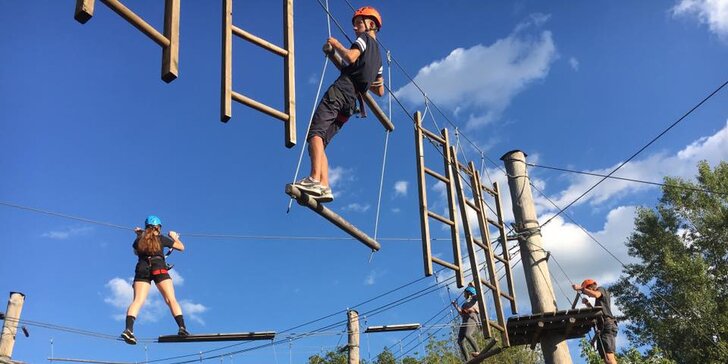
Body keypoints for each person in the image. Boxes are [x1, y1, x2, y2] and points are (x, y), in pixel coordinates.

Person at [292, 6, 385, 203]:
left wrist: (336, 44)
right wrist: (365, 74)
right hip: (351, 104)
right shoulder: (379, 58)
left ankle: (314, 179)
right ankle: (324, 186)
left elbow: (350, 56)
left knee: (315, 134)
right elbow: (380, 90)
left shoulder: (364, 39)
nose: (355, 28)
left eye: (359, 23)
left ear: (371, 25)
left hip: (341, 90)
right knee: (320, 142)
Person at [120, 215, 188, 345]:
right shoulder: (161, 238)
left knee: (138, 300)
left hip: (142, 269)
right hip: (159, 268)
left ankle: (129, 330)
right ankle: (182, 328)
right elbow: (181, 247)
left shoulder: (139, 240)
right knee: (170, 299)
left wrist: (139, 235)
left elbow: (136, 252)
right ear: (159, 227)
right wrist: (174, 236)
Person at [573, 279, 618, 364]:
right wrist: (587, 304)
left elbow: (596, 295)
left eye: (587, 291)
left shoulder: (601, 289)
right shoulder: (599, 302)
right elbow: (595, 312)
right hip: (603, 327)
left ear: (590, 286)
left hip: (607, 325)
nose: (588, 295)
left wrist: (582, 289)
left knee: (609, 355)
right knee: (605, 357)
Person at [451, 286, 480, 361]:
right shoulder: (464, 305)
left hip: (471, 318)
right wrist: (455, 305)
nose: (464, 296)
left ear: (469, 293)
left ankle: (478, 351)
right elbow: (461, 313)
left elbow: (478, 296)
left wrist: (472, 291)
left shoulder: (474, 301)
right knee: (460, 341)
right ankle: (467, 360)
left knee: (467, 334)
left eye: (465, 294)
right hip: (465, 320)